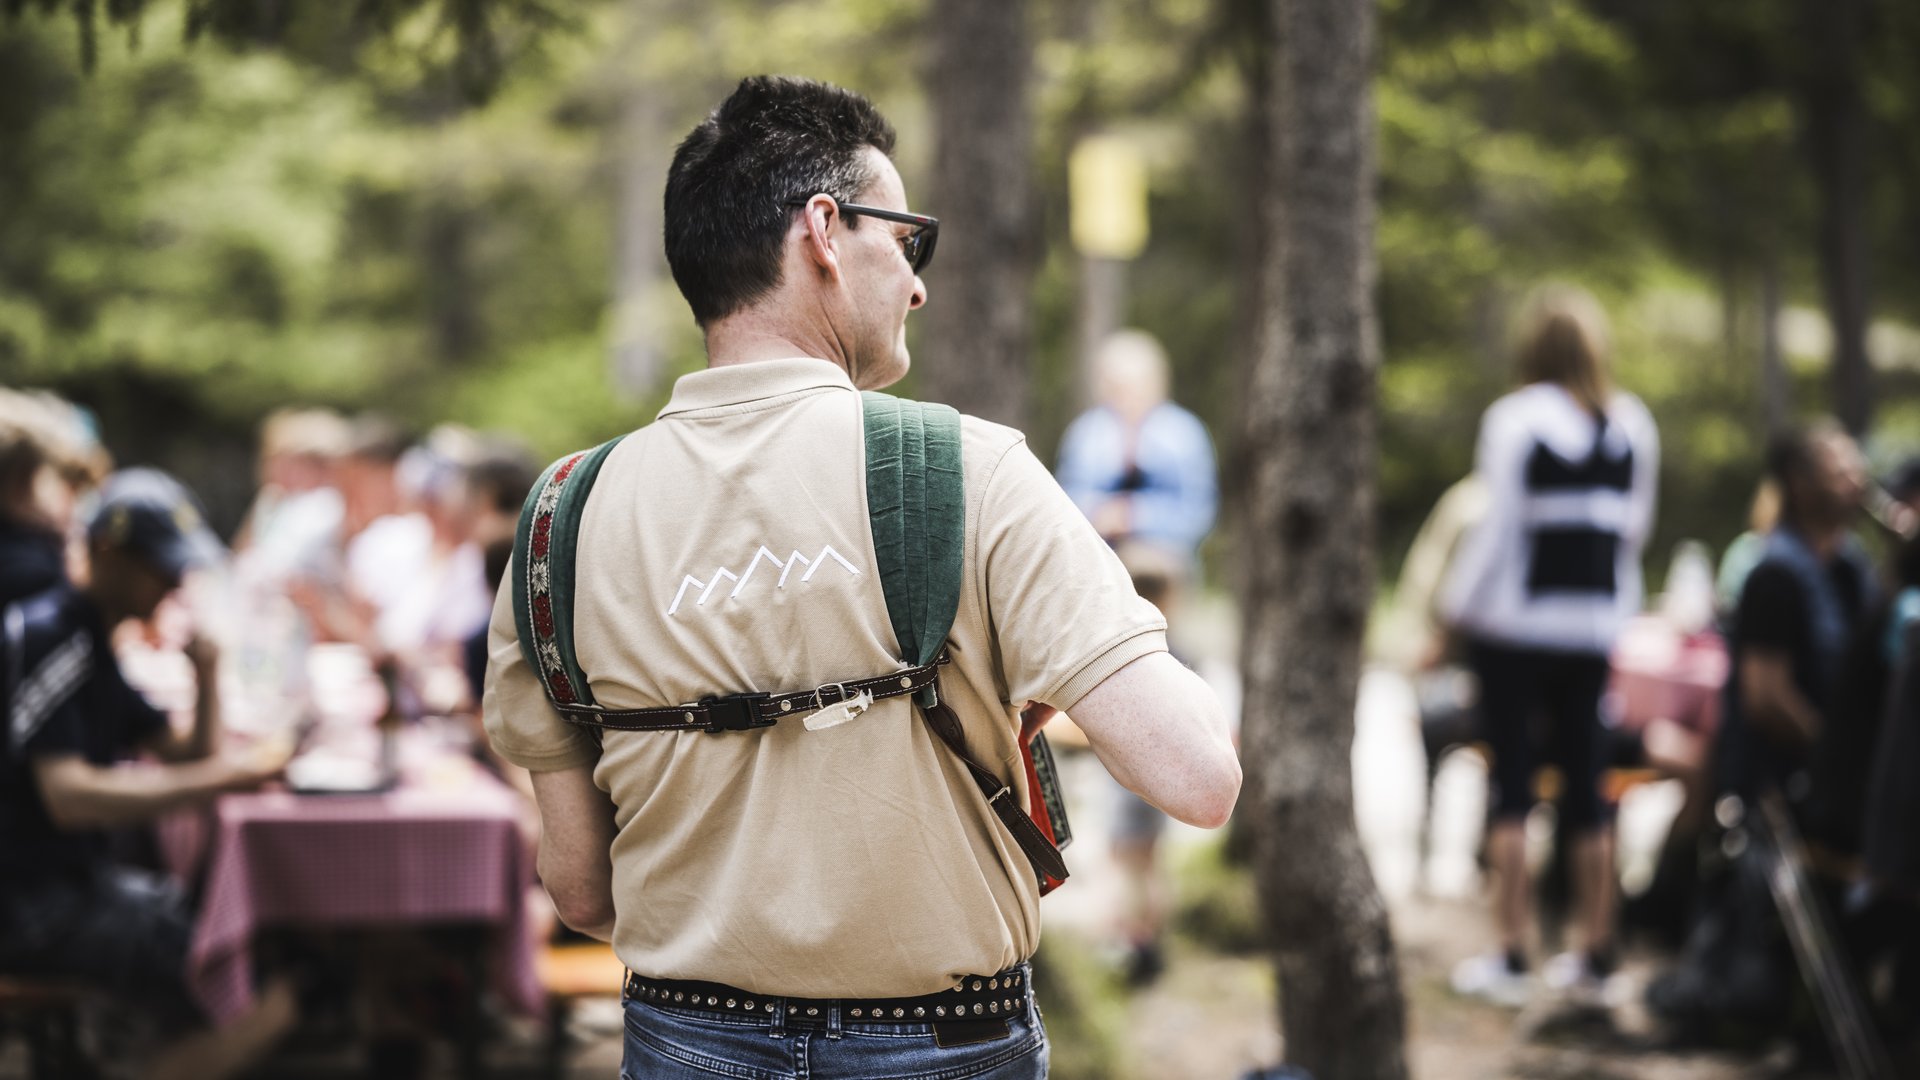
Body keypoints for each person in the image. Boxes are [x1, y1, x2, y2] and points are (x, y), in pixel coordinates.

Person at [483, 75, 1241, 1079]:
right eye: (908, 239)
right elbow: (1197, 776)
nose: (919, 282)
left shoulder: (559, 520)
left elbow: (579, 890)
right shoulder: (969, 472)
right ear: (826, 233)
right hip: (945, 1042)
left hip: (683, 1040)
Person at [0, 469, 295, 1080]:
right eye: (160, 565)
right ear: (105, 552)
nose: (173, 581)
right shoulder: (51, 636)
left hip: (72, 883)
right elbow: (70, 797)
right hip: (30, 905)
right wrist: (225, 780)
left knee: (246, 948)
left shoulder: (91, 641)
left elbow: (187, 753)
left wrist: (206, 674)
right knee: (258, 992)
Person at [1439, 287, 1660, 1006]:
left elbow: (1497, 530)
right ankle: (1593, 957)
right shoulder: (1631, 425)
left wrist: (1454, 611)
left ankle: (1511, 954)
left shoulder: (1515, 420)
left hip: (1516, 631)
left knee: (1512, 788)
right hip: (1593, 630)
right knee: (1589, 788)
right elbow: (1633, 533)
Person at [1055, 329, 1218, 558]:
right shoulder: (1087, 434)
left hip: (1165, 562)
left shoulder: (1183, 434)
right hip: (1097, 557)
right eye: (1115, 385)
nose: (1126, 396)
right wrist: (1100, 514)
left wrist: (1134, 517)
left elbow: (1198, 513)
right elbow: (1065, 502)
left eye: (1134, 384)